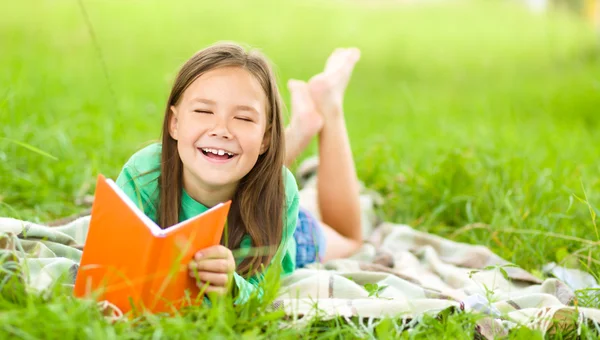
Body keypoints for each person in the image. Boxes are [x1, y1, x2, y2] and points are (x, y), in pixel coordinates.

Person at [115, 42, 363, 303]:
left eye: (244, 118)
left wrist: (232, 286)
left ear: (266, 137)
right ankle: (301, 128)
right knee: (233, 155)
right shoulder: (144, 173)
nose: (221, 129)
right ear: (174, 123)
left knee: (350, 239)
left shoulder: (280, 195)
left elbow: (261, 295)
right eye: (203, 111)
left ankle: (329, 106)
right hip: (248, 179)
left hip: (279, 225)